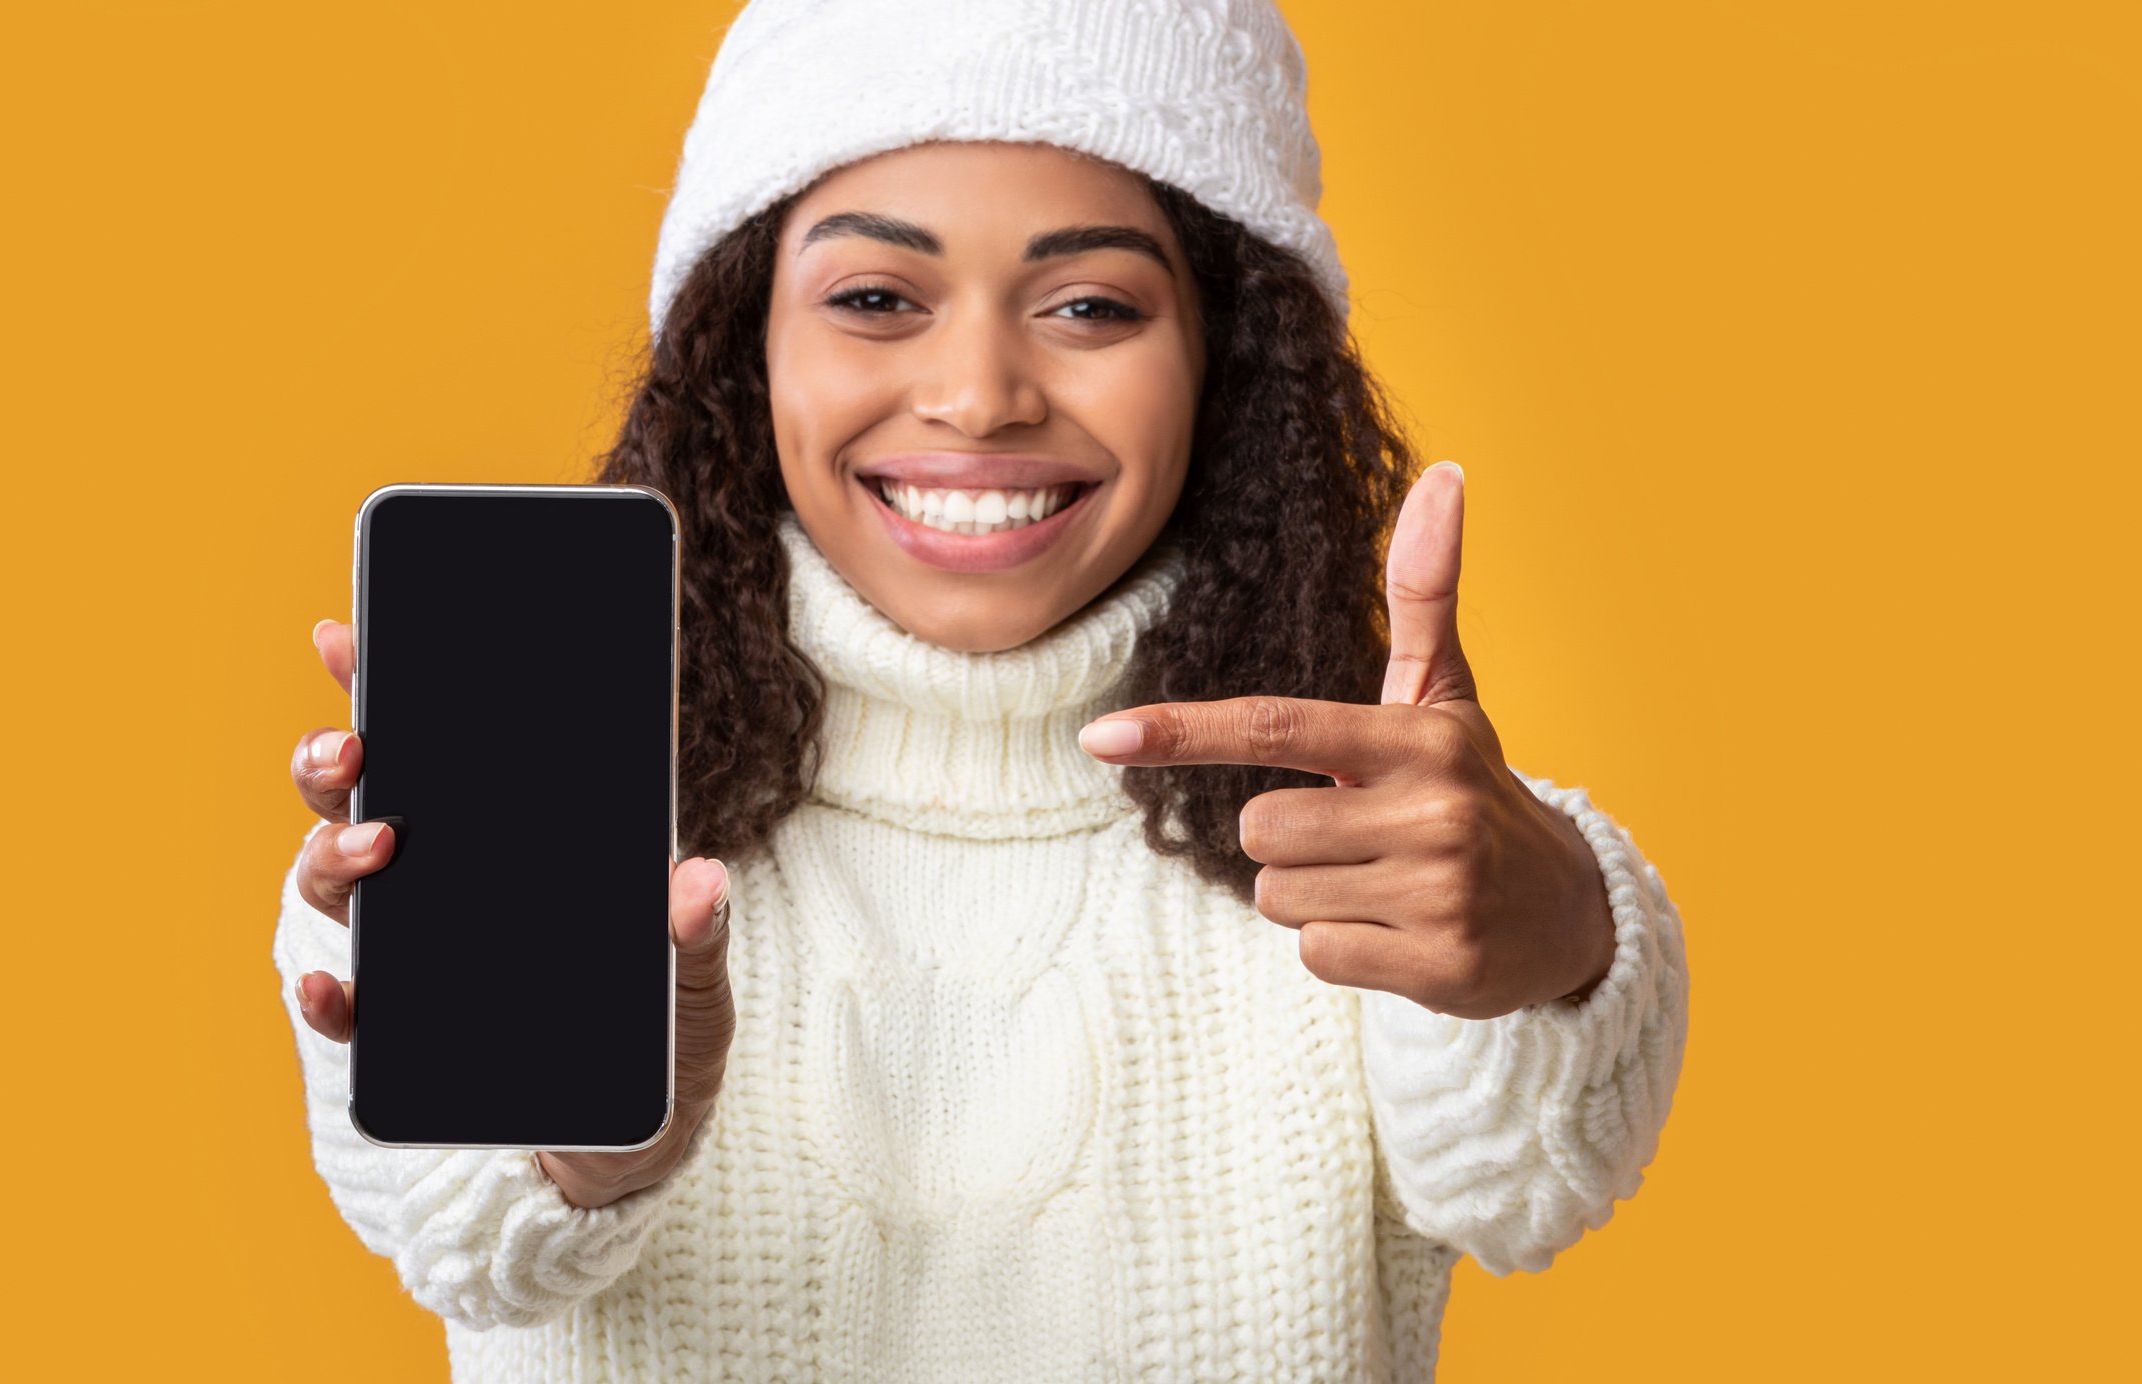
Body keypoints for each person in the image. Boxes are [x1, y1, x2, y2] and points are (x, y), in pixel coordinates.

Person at [273, 0, 1689, 1378]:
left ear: (1223, 364)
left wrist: (1560, 934)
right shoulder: (484, 826)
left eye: (1088, 304)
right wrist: (593, 1137)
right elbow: (468, 1252)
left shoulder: (1392, 842)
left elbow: (1517, 1188)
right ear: (739, 350)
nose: (978, 393)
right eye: (875, 298)